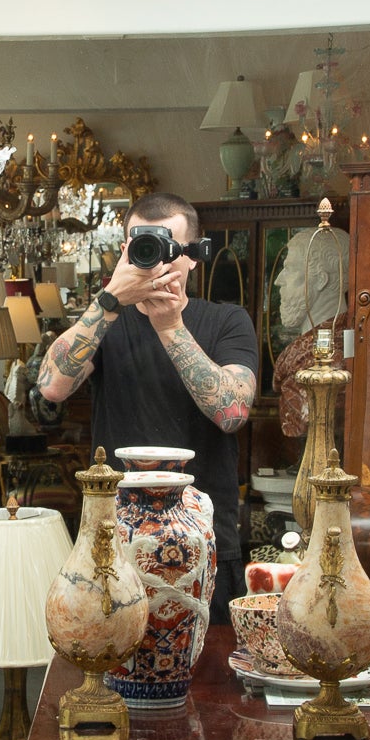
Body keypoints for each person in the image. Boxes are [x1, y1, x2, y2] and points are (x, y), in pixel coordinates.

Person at [38, 192, 258, 619]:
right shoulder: (107, 322)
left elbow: (232, 412)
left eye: (168, 250)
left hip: (203, 540)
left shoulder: (228, 321)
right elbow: (51, 386)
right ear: (125, 252)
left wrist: (170, 325)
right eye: (144, 246)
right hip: (116, 542)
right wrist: (109, 301)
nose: (156, 262)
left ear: (193, 256)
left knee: (207, 676)